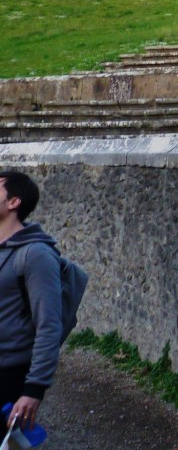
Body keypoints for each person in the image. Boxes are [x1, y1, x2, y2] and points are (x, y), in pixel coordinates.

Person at [0, 170, 61, 431]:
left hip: (8, 375)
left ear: (13, 202)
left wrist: (34, 389)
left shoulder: (36, 254)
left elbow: (49, 324)